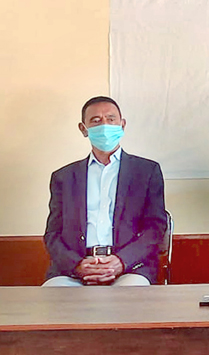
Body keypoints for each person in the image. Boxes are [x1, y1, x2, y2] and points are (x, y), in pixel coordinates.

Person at [43, 96, 168, 286]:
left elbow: (155, 228)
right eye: (96, 120)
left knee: (131, 294)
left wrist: (121, 261)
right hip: (74, 270)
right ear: (83, 129)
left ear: (122, 125)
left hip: (130, 268)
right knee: (54, 295)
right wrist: (77, 265)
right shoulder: (64, 177)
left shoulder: (146, 171)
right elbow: (52, 234)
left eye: (111, 119)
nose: (104, 125)